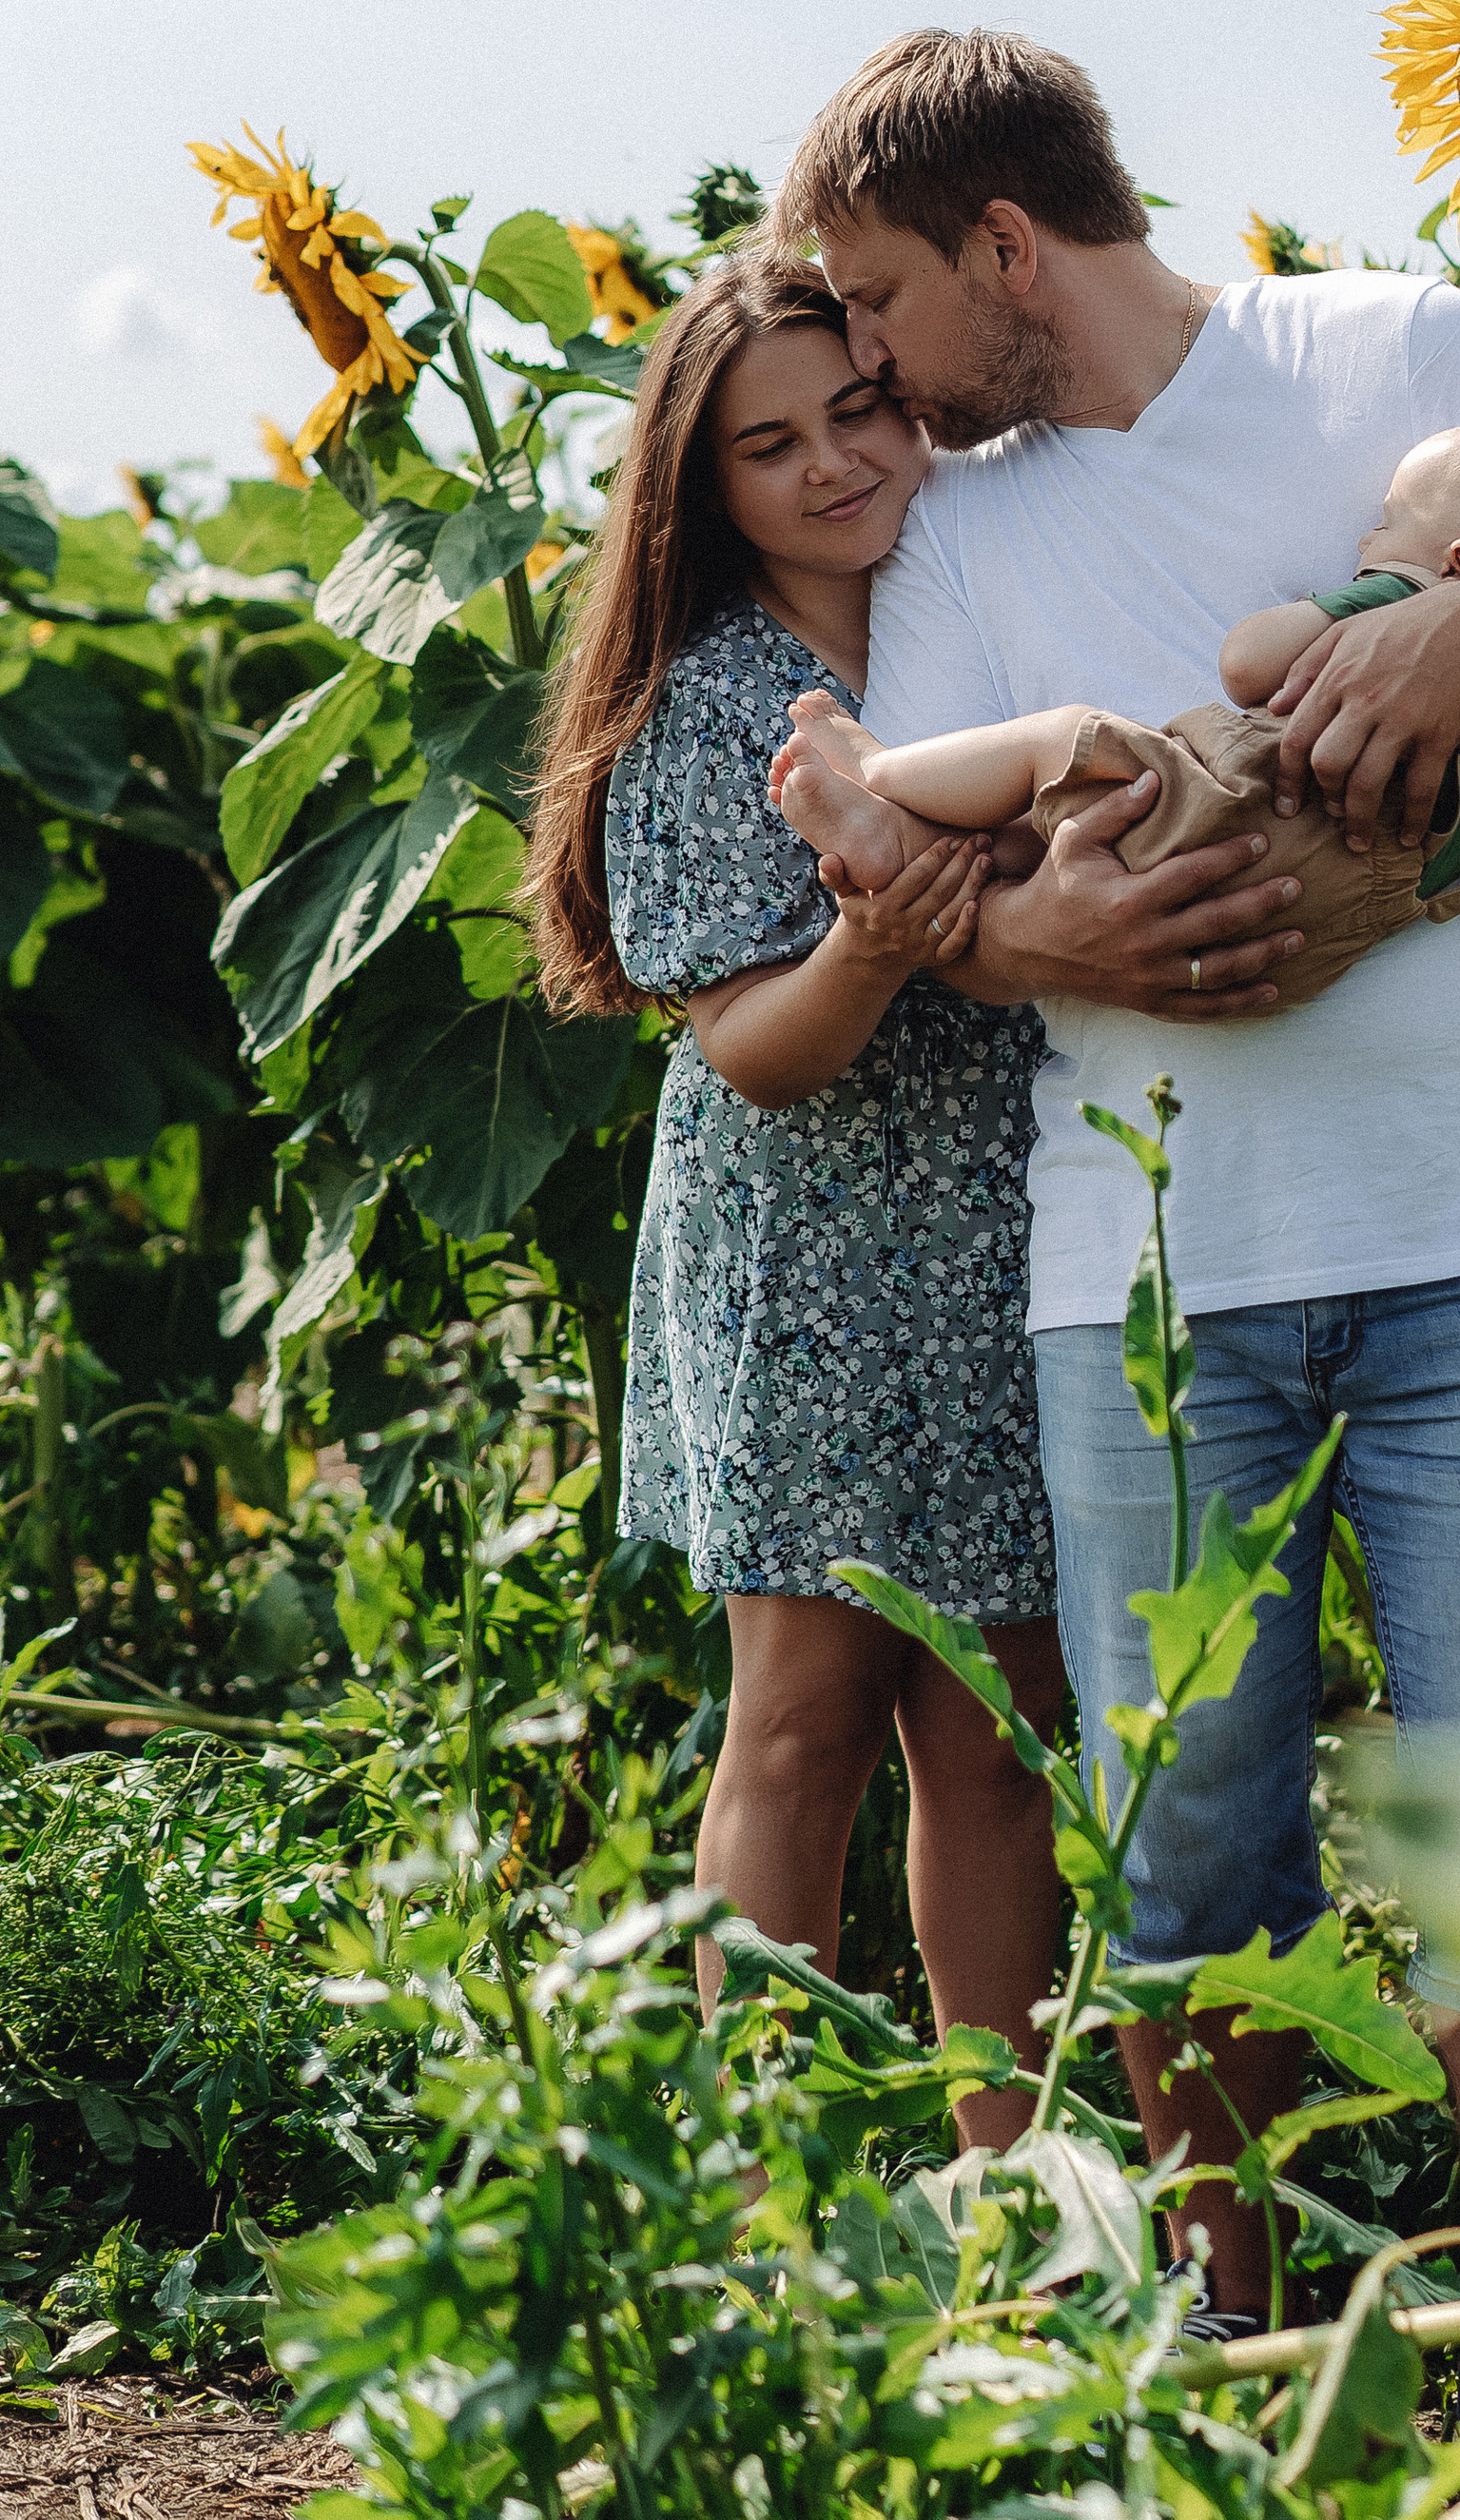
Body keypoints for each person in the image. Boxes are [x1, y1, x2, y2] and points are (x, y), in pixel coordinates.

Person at [764, 25, 1460, 2315]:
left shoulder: (1398, 350)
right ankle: (1242, 2346)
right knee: (1185, 1846)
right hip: (1149, 1268)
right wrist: (1045, 937)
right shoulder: (962, 522)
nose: (866, 360)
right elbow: (928, 872)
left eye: (879, 297)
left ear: (1004, 242)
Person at [524, 255, 1066, 2145]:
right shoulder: (713, 697)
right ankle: (775, 2200)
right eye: (771, 442)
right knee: (806, 1710)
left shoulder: (972, 624)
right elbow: (748, 1046)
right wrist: (874, 943)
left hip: (1004, 1232)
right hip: (805, 1243)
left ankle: (1008, 2185)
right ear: (706, 484)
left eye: (859, 407)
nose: (834, 461)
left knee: (998, 1727)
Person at [766, 419, 1460, 1012]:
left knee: (1065, 745)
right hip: (1299, 944)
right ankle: (905, 842)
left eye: (1388, 523)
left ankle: (879, 778)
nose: (1367, 539)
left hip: (1245, 813)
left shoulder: (1411, 603)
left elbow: (1247, 662)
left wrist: (1332, 606)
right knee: (1053, 830)